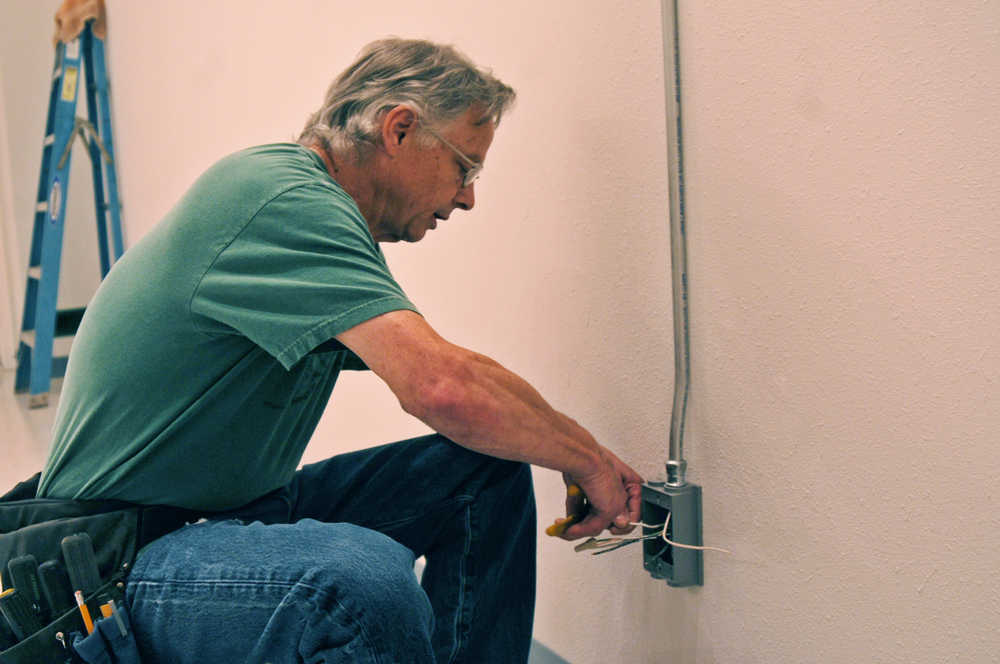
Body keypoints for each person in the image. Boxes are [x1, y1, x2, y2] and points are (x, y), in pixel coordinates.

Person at [37, 38, 643, 663]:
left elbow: (454, 373)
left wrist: (576, 450)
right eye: (466, 167)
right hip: (120, 559)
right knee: (360, 584)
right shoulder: (282, 201)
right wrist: (590, 463)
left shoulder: (324, 219)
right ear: (400, 129)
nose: (467, 197)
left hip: (230, 516)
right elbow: (441, 387)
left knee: (483, 472)